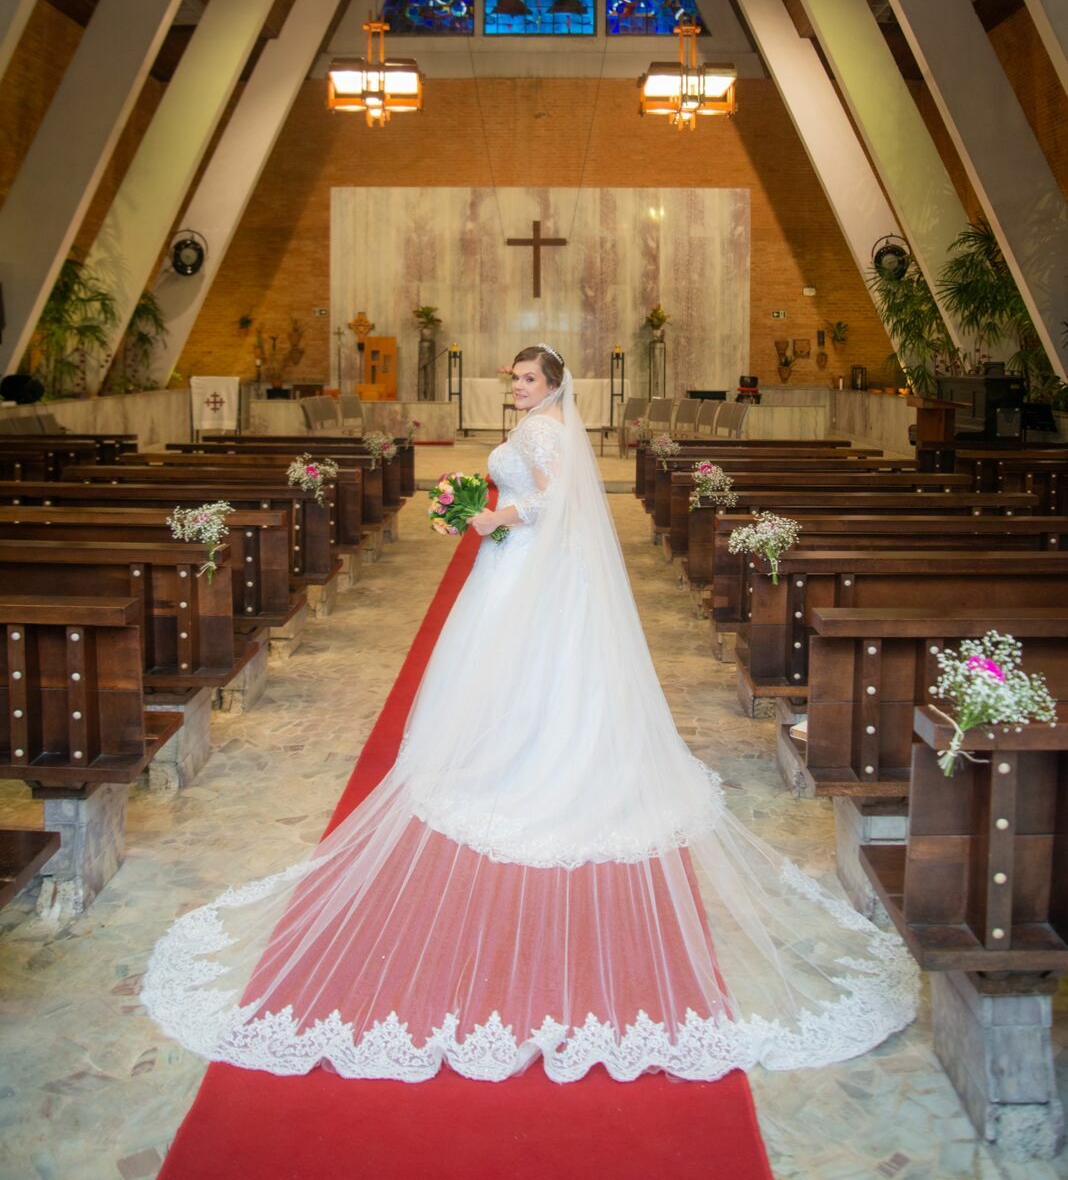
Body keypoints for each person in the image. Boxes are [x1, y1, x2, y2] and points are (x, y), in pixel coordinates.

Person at [142, 345, 917, 1082]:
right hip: (509, 565)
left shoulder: (546, 429)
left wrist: (494, 517)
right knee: (503, 666)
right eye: (511, 376)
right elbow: (529, 493)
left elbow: (551, 502)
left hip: (521, 563)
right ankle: (515, 747)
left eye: (522, 377)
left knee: (519, 662)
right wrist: (477, 505)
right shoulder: (536, 426)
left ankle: (528, 757)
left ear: (550, 384)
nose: (512, 384)